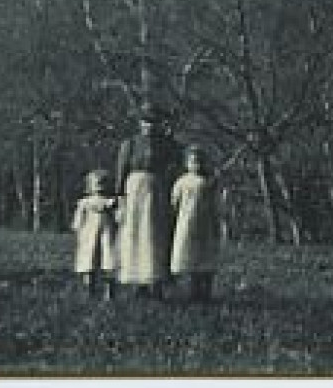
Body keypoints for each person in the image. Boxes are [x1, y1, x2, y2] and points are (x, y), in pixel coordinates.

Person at [115, 109, 175, 298]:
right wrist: (120, 195)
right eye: (146, 122)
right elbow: (121, 170)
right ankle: (137, 283)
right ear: (139, 123)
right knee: (134, 233)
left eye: (154, 122)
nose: (149, 126)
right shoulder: (130, 144)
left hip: (156, 189)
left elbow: (176, 163)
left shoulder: (166, 144)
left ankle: (156, 281)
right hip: (134, 189)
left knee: (155, 234)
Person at [169, 144, 221, 303]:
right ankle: (192, 292)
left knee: (205, 258)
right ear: (186, 164)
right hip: (186, 224)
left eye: (200, 161)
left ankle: (206, 293)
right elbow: (174, 202)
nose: (196, 164)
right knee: (189, 257)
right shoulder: (182, 182)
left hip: (204, 225)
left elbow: (214, 203)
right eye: (192, 161)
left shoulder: (208, 181)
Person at [71, 169, 118, 300]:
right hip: (88, 236)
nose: (99, 187)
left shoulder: (111, 202)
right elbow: (78, 220)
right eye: (96, 184)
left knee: (108, 262)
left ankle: (108, 292)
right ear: (89, 186)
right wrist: (78, 230)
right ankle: (89, 290)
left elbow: (117, 217)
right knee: (89, 262)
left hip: (106, 235)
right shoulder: (84, 203)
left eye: (103, 184)